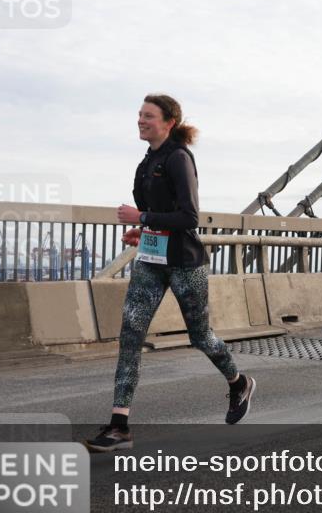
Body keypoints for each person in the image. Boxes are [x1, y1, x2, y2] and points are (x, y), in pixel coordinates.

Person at [85, 95, 252, 453]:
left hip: (183, 262)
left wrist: (141, 218)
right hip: (150, 259)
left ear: (168, 122)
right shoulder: (147, 162)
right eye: (139, 115)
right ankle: (119, 426)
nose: (140, 121)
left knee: (200, 336)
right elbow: (156, 212)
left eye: (148, 116)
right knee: (130, 334)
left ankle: (238, 383)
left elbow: (189, 217)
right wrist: (142, 232)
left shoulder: (178, 159)